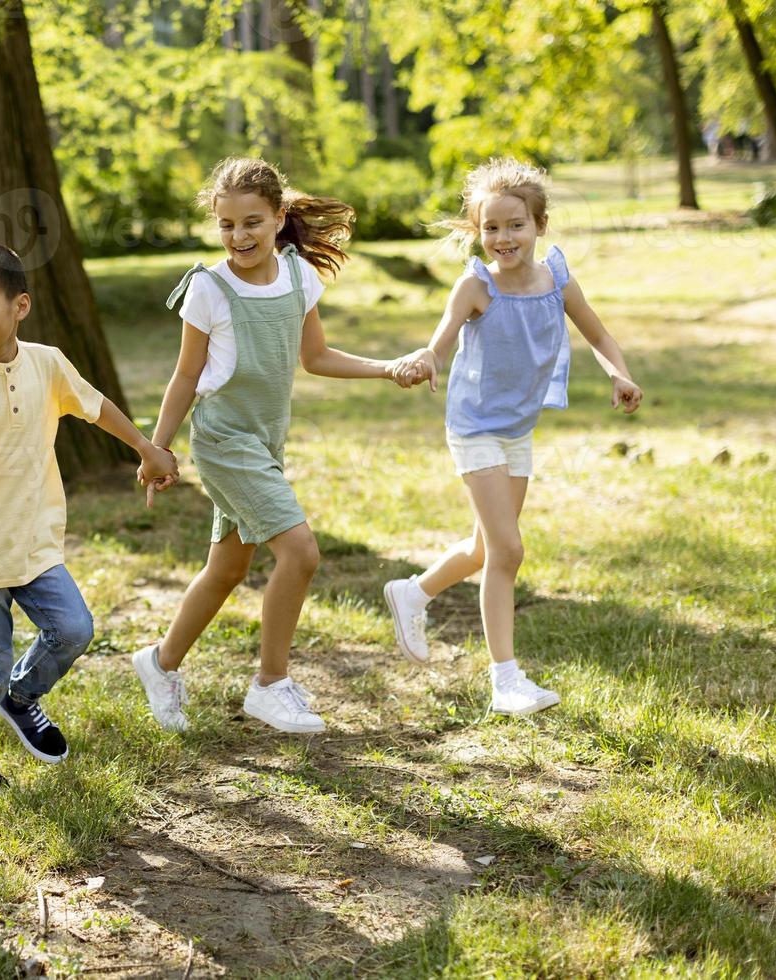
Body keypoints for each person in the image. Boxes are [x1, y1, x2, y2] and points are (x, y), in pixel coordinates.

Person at [131, 156, 427, 735]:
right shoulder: (208, 289)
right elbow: (185, 376)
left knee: (226, 570)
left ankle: (160, 663)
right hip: (222, 440)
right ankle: (270, 684)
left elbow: (315, 357)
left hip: (264, 443)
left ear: (277, 218)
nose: (238, 236)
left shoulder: (298, 277)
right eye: (226, 225)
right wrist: (156, 448)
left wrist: (387, 368)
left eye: (251, 222)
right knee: (301, 553)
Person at [0, 242, 179, 791]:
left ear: (19, 306)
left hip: (34, 544)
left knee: (74, 629)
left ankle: (21, 697)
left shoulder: (47, 363)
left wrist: (147, 449)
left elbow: (96, 406)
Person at [384, 157, 643, 715]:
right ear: (479, 234)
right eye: (492, 228)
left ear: (539, 226)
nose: (504, 237)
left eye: (515, 225)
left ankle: (414, 591)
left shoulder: (557, 279)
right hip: (474, 428)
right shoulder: (475, 287)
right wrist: (425, 360)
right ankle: (506, 680)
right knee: (508, 549)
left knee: (485, 549)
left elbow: (597, 332)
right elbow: (441, 342)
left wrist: (617, 372)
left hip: (517, 432)